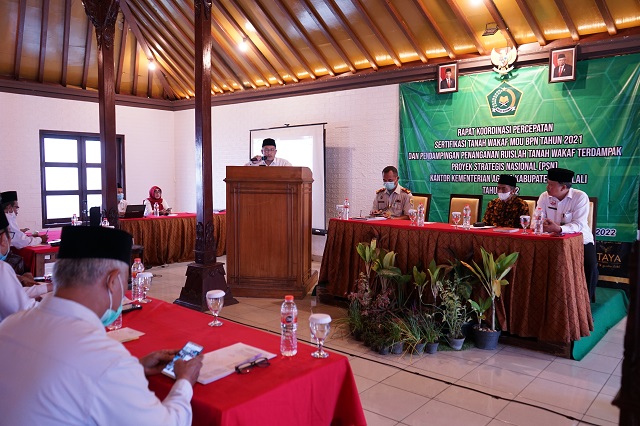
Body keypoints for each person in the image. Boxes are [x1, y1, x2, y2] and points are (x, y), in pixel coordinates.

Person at [0, 226, 203, 424]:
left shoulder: (9, 325)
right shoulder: (106, 360)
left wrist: (135, 369)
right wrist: (185, 381)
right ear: (113, 281)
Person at [537, 167, 598, 302]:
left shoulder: (580, 197)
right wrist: (541, 224)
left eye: (551, 185)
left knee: (591, 266)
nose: (547, 187)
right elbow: (536, 219)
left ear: (563, 187)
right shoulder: (544, 197)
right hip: (551, 241)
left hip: (581, 240)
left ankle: (585, 304)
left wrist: (558, 229)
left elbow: (579, 224)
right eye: (547, 183)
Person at [0, 210, 52, 322]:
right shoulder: (2, 269)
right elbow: (24, 309)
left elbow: (13, 294)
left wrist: (48, 287)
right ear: (3, 239)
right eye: (10, 234)